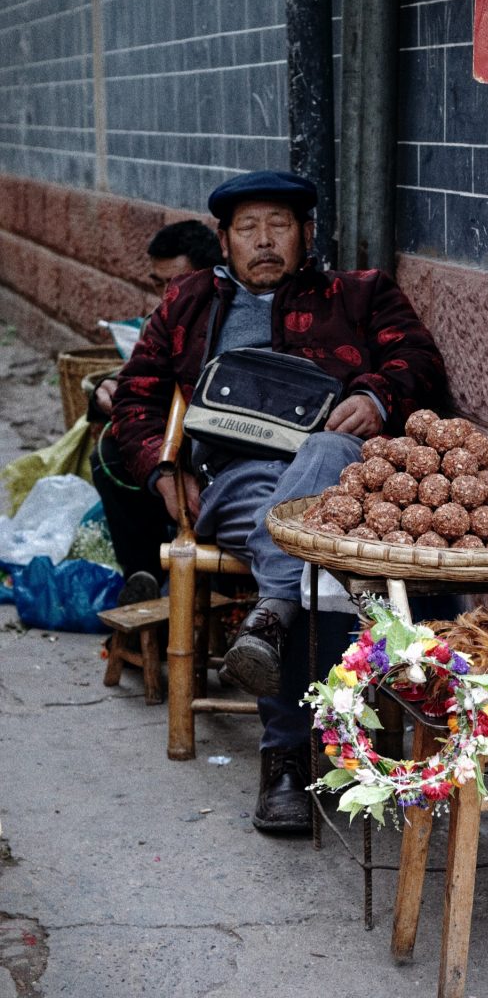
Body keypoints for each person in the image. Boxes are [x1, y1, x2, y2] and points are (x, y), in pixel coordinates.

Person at [111, 170, 449, 831]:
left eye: (279, 226)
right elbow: (136, 397)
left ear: (306, 234)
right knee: (311, 558)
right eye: (247, 229)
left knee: (320, 468)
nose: (264, 241)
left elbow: (418, 361)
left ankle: (284, 739)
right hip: (235, 481)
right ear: (224, 240)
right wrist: (161, 471)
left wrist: (373, 395)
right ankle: (308, 739)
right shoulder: (188, 303)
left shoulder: (356, 294)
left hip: (336, 477)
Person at [89, 221, 223, 598]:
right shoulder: (163, 319)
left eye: (174, 282)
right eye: (157, 283)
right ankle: (143, 574)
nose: (165, 294)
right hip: (166, 446)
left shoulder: (222, 315)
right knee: (110, 457)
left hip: (211, 449)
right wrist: (104, 391)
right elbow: (136, 381)